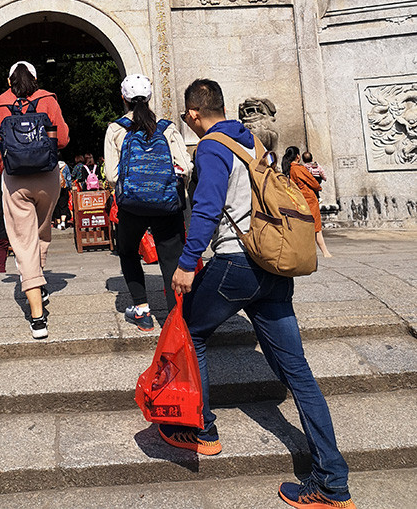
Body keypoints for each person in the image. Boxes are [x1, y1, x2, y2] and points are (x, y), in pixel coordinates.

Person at [168, 79, 356, 509]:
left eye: (188, 118)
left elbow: (207, 207)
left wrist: (186, 262)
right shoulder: (253, 142)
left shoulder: (213, 147)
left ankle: (202, 429)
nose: (189, 124)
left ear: (195, 114)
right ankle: (333, 482)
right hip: (273, 265)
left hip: (236, 262)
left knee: (191, 331)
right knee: (299, 374)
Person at [0, 61, 69, 340]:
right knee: (42, 233)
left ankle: (37, 316)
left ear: (9, 81)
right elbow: (64, 139)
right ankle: (39, 284)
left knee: (23, 242)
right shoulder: (48, 100)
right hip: (47, 177)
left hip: (15, 178)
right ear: (35, 78)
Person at [104, 73, 191, 331]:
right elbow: (185, 167)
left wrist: (135, 184)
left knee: (129, 252)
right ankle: (177, 318)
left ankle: (142, 310)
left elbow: (111, 175)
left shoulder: (116, 129)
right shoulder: (166, 127)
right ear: (150, 97)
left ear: (124, 98)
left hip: (132, 206)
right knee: (171, 258)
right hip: (167, 204)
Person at [283, 147, 333, 259]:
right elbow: (313, 182)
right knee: (316, 228)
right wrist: (318, 187)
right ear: (297, 156)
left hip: (299, 200)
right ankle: (325, 252)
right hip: (309, 199)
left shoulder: (289, 170)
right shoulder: (298, 169)